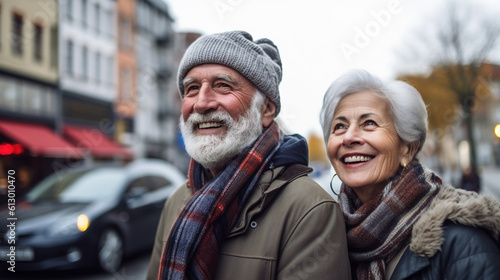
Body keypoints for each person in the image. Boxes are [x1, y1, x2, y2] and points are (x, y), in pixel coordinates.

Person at [146, 30, 351, 280]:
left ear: (266, 109)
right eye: (192, 88)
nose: (201, 103)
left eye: (223, 86)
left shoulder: (309, 210)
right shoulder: (176, 202)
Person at [319, 69, 500, 280]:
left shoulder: (464, 244)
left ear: (407, 148)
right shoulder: (324, 241)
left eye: (369, 123)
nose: (349, 137)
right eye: (339, 126)